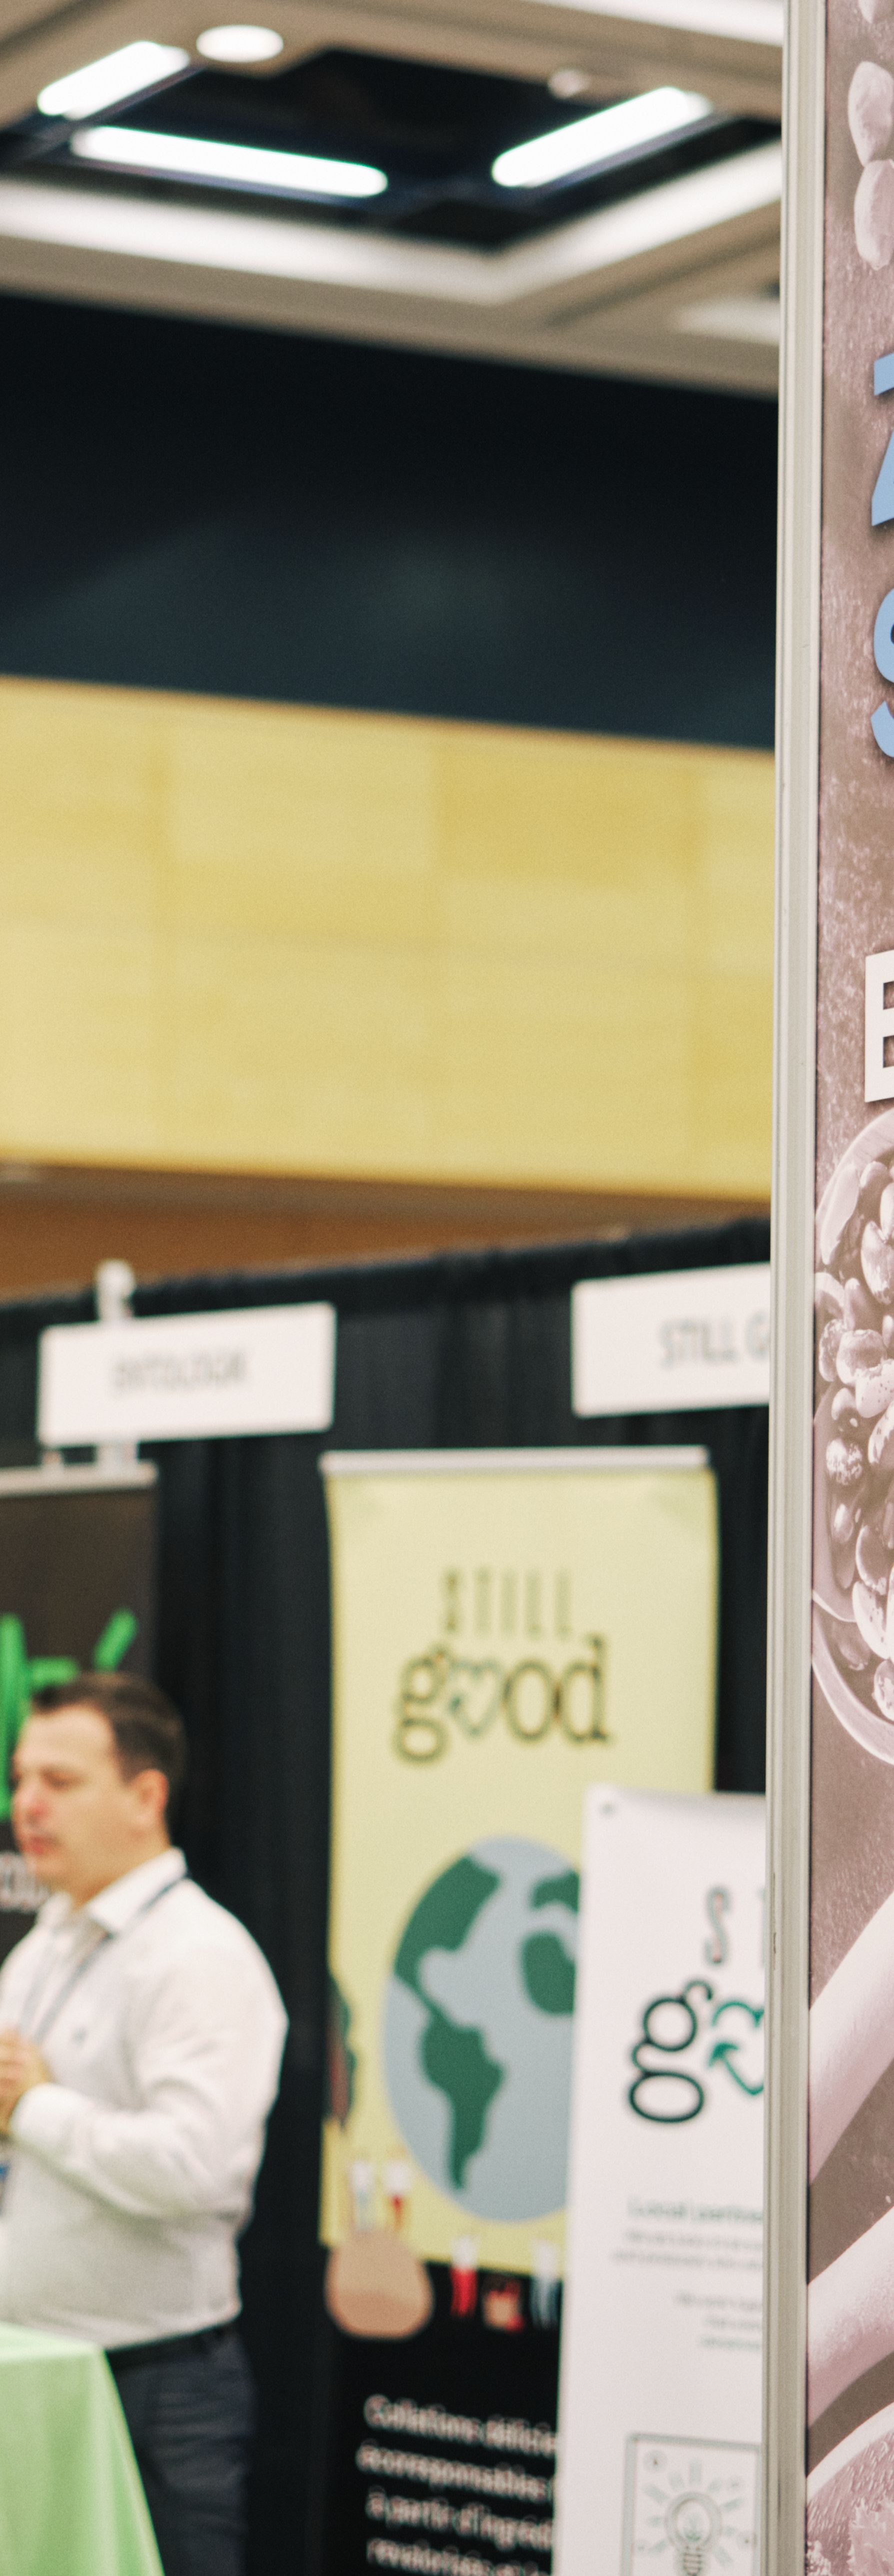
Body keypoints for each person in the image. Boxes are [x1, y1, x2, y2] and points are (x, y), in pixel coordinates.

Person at [0, 1670, 287, 2576]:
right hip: (34, 2373)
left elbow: (197, 2168)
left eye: (60, 1781)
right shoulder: (47, 1942)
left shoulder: (199, 1957)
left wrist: (34, 2107)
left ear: (146, 1797)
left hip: (151, 2390)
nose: (27, 1805)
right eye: (20, 1778)